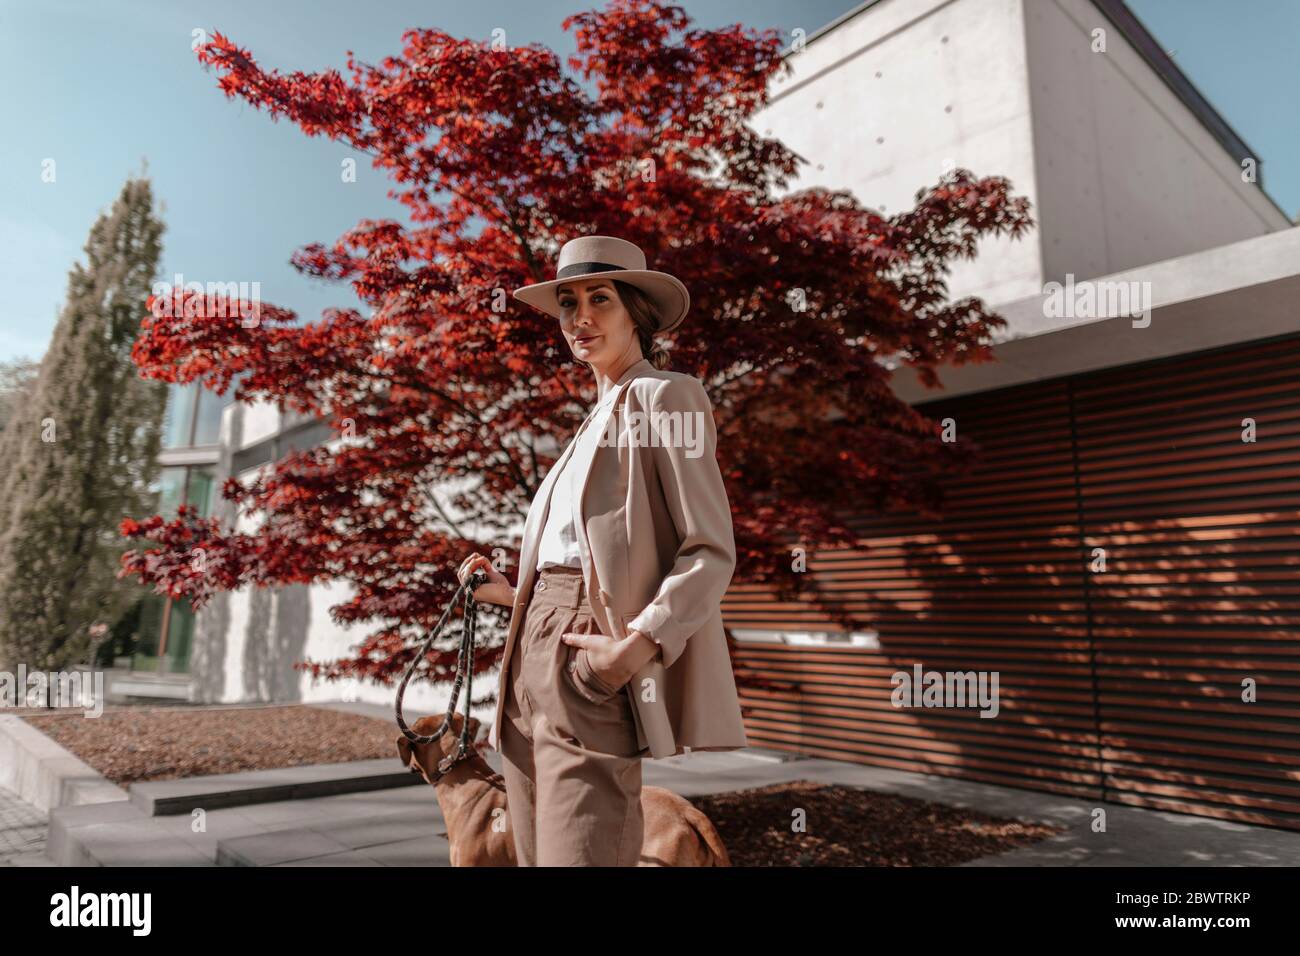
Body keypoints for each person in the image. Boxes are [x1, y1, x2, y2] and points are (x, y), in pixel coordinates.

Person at [458, 235, 747, 867]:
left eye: (600, 299)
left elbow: (709, 549)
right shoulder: (589, 422)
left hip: (592, 662)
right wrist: (515, 595)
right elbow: (588, 553)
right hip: (526, 657)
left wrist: (634, 647)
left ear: (636, 313)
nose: (580, 318)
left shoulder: (665, 397)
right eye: (567, 303)